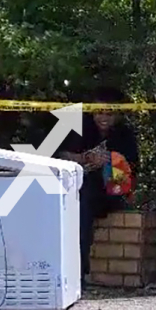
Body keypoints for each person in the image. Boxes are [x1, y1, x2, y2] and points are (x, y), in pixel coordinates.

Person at [57, 86, 139, 289]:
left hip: (112, 192)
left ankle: (82, 272)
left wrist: (110, 162)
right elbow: (60, 155)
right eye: (99, 112)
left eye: (109, 114)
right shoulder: (82, 129)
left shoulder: (125, 135)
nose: (104, 118)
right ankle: (75, 271)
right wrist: (84, 158)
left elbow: (132, 168)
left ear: (118, 115)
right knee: (80, 206)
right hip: (81, 188)